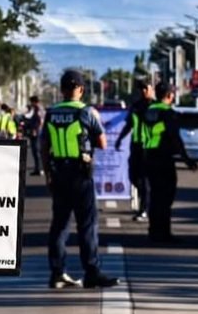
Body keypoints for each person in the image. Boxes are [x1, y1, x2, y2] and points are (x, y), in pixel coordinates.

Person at [41, 69, 120, 289]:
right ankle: (92, 272)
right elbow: (103, 143)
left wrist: (48, 174)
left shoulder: (51, 113)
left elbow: (43, 146)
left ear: (62, 90)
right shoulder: (87, 112)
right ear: (82, 89)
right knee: (86, 225)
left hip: (59, 174)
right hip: (80, 174)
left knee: (59, 225)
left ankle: (57, 272)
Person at [142, 81, 197, 243]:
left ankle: (153, 230)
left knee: (155, 196)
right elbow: (175, 139)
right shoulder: (169, 114)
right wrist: (187, 160)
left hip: (149, 157)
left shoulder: (148, 112)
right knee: (166, 197)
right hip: (163, 159)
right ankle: (164, 233)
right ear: (169, 95)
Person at [115, 79, 154, 222]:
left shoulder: (154, 107)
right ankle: (146, 201)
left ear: (151, 89)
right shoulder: (135, 107)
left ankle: (144, 210)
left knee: (144, 181)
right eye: (141, 89)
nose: (143, 91)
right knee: (133, 177)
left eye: (146, 88)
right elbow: (129, 125)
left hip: (148, 147)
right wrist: (119, 139)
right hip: (135, 146)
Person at [26, 95, 45, 175]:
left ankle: (39, 169)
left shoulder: (38, 109)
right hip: (36, 131)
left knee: (36, 151)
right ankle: (37, 168)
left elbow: (40, 121)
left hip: (36, 132)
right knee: (35, 151)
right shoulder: (38, 108)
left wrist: (36, 130)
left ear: (34, 101)